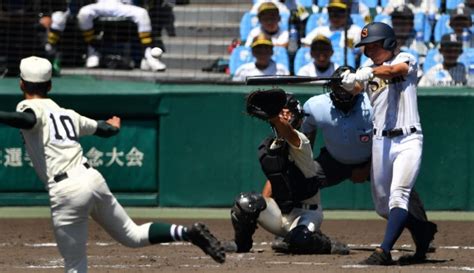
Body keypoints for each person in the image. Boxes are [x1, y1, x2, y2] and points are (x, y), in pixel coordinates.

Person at [0, 56, 225, 272]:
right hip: (91, 179)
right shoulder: (67, 113)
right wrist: (113, 126)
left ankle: (188, 233)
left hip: (66, 190)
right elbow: (104, 129)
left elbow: (28, 119)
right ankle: (187, 233)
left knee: (75, 264)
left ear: (21, 84)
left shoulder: (27, 108)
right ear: (49, 85)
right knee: (132, 235)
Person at [340, 22, 437, 265]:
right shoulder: (366, 68)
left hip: (408, 138)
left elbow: (395, 70)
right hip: (380, 140)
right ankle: (422, 229)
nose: (369, 50)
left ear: (388, 43)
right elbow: (354, 90)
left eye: (373, 45)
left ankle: (383, 251)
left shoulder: (406, 58)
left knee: (398, 196)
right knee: (383, 206)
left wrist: (370, 72)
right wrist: (347, 82)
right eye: (366, 47)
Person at [228, 90, 349, 255]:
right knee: (245, 203)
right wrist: (263, 205)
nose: (284, 115)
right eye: (280, 111)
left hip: (307, 213)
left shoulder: (301, 139)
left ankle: (325, 243)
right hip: (281, 213)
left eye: (288, 112)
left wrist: (273, 116)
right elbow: (275, 177)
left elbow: (288, 133)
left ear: (297, 118)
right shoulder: (271, 144)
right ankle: (241, 244)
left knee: (300, 240)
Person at [77, 0, 166, 71]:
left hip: (123, 5)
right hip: (101, 5)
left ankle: (149, 56)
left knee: (142, 13)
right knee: (84, 13)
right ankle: (93, 52)